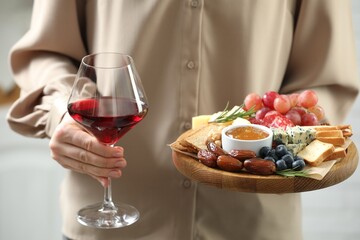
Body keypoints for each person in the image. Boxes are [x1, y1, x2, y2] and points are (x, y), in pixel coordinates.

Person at [7, 0, 359, 240]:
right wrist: (62, 114)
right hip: (111, 226)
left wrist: (285, 133)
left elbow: (326, 79)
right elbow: (47, 52)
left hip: (251, 226)